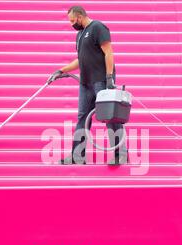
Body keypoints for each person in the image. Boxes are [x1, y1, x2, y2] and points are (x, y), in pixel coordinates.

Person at [49, 6, 128, 165]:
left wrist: (110, 78)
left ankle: (121, 155)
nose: (72, 24)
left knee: (111, 117)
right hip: (85, 83)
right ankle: (77, 156)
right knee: (82, 118)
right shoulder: (79, 34)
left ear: (79, 16)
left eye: (72, 20)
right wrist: (61, 70)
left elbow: (108, 52)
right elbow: (81, 59)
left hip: (102, 80)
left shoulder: (98, 27)